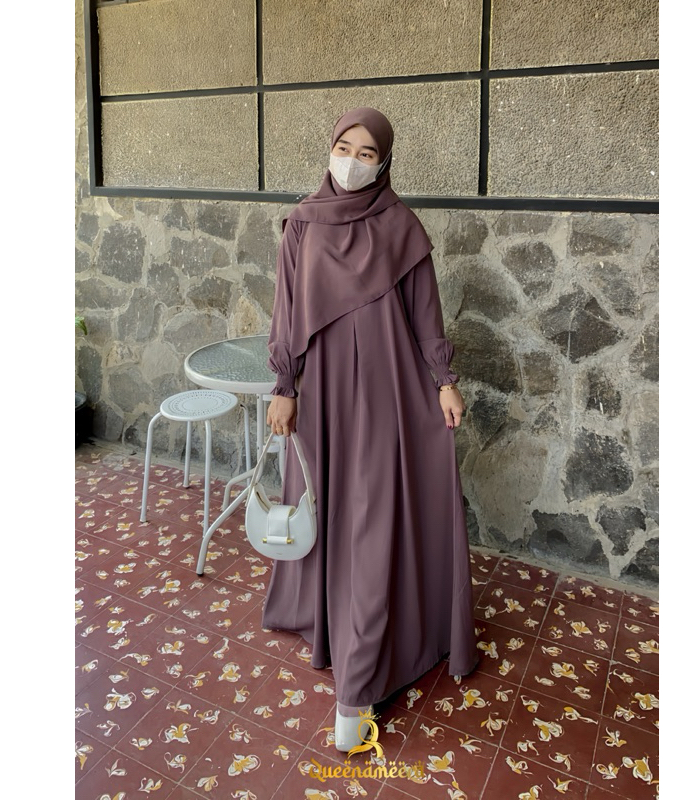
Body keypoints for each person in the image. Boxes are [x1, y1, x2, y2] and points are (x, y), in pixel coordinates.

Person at [263, 107, 479, 751]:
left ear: (384, 162)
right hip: (322, 395)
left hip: (390, 395)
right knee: (328, 511)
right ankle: (326, 622)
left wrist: (443, 380)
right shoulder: (302, 224)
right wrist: (284, 387)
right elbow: (286, 312)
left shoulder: (401, 227)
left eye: (366, 153)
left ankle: (356, 687)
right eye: (343, 147)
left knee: (373, 522)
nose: (352, 161)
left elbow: (425, 313)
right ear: (329, 148)